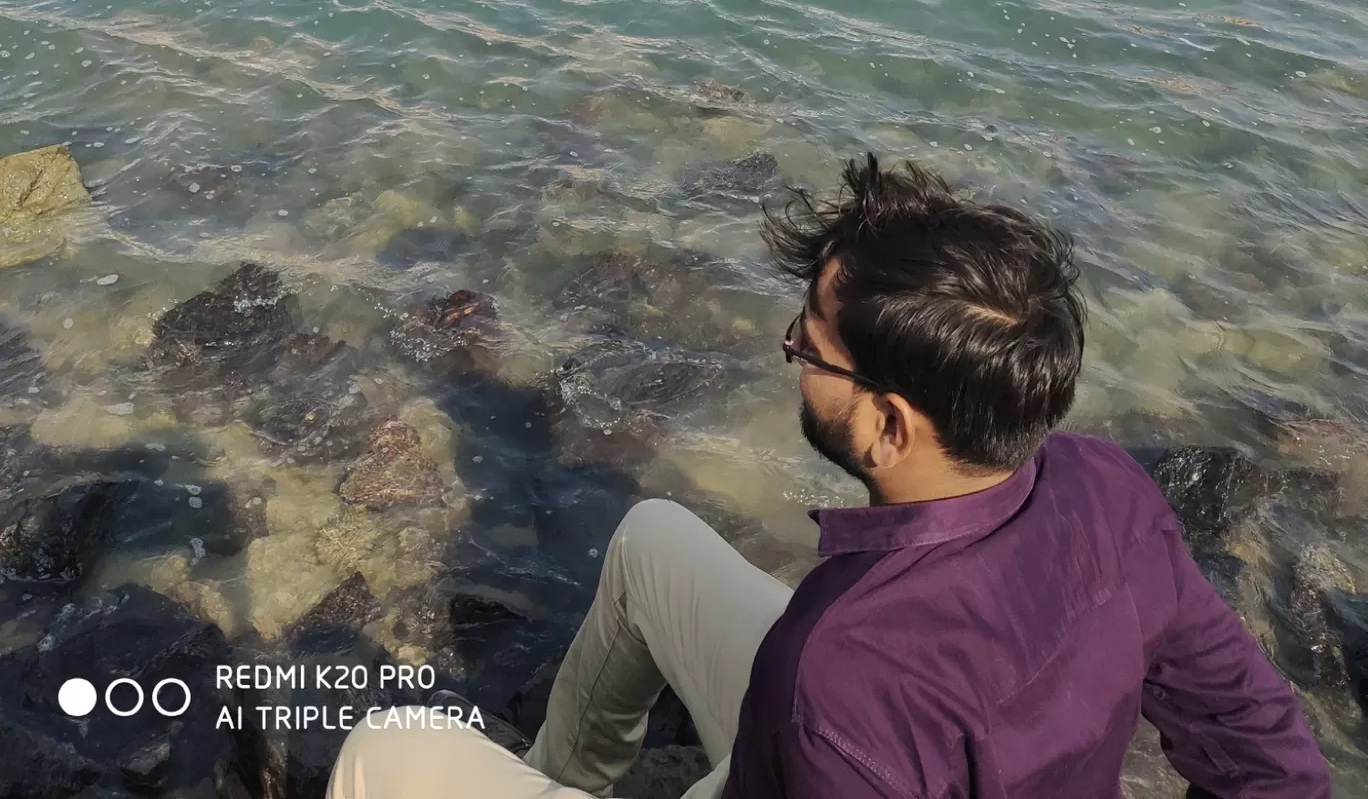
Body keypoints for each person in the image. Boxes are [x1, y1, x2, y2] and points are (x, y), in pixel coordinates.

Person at [327, 156, 1328, 799]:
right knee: (650, 539)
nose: (792, 359)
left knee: (386, 747)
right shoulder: (1101, 485)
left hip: (815, 755)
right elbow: (1263, 743)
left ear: (891, 423)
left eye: (807, 350)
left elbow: (845, 710)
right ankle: (564, 776)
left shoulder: (838, 670)